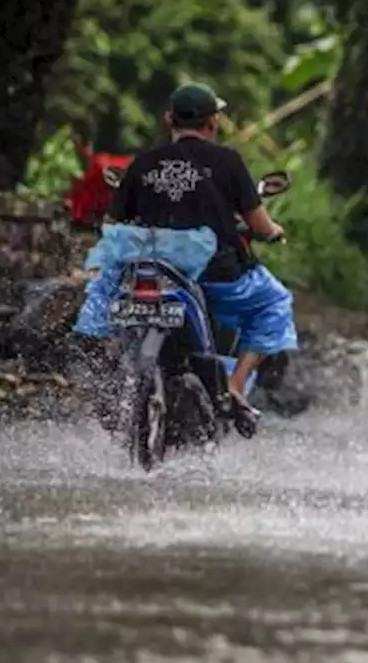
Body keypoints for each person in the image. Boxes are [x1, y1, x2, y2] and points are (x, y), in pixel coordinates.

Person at [73, 82, 296, 431]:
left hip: (147, 270)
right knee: (275, 303)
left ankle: (111, 376)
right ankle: (235, 386)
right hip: (215, 276)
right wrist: (273, 232)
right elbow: (258, 223)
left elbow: (114, 222)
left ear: (168, 120)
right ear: (214, 121)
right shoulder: (229, 161)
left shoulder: (143, 164)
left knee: (103, 305)